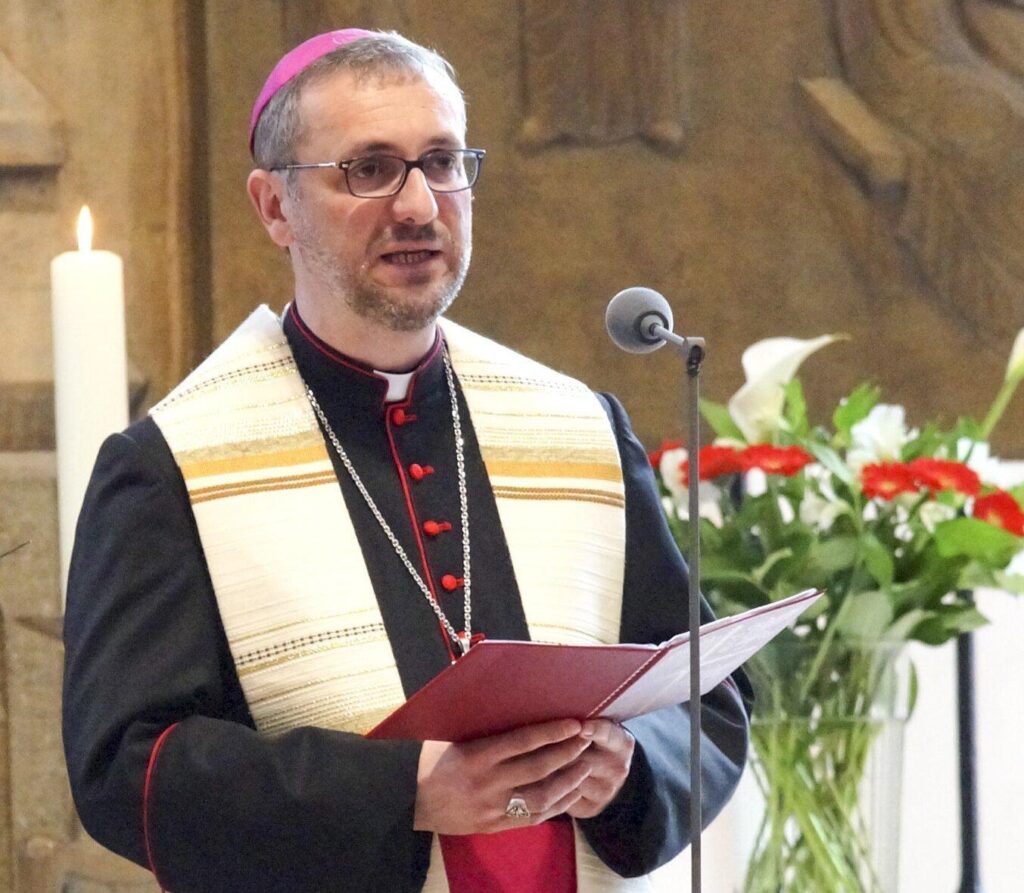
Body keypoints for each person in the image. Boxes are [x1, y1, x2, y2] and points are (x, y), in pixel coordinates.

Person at [62, 29, 752, 893]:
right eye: (368, 168)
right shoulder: (172, 465)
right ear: (274, 206)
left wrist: (628, 766)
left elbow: (707, 697)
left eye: (441, 160)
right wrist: (403, 791)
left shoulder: (580, 427)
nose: (420, 205)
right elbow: (126, 765)